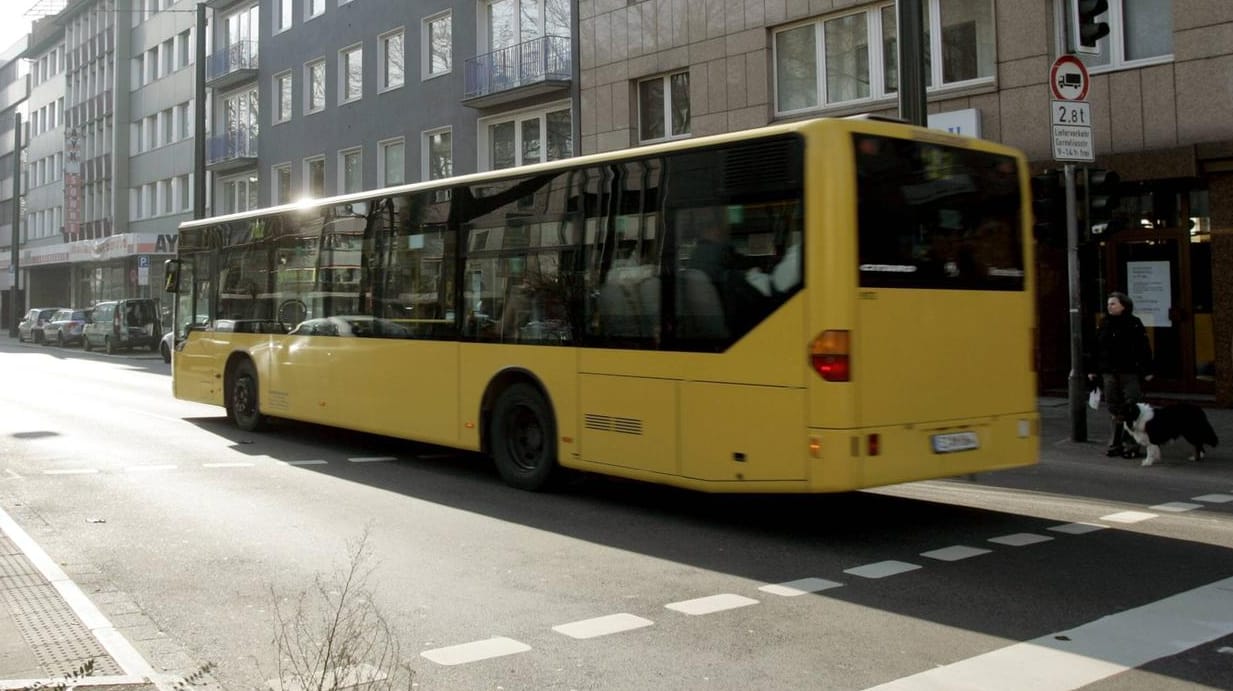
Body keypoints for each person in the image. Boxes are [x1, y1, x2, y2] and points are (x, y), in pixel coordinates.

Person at [1089, 291, 1154, 458]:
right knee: (1114, 407)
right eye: (1109, 303)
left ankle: (1131, 445)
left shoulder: (1133, 323)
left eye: (1113, 303)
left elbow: (1143, 348)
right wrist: (1092, 369)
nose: (1109, 306)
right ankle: (1114, 443)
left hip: (1129, 371)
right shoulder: (1104, 323)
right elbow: (1096, 348)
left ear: (1124, 306)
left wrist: (1147, 370)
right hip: (1109, 372)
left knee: (1133, 407)